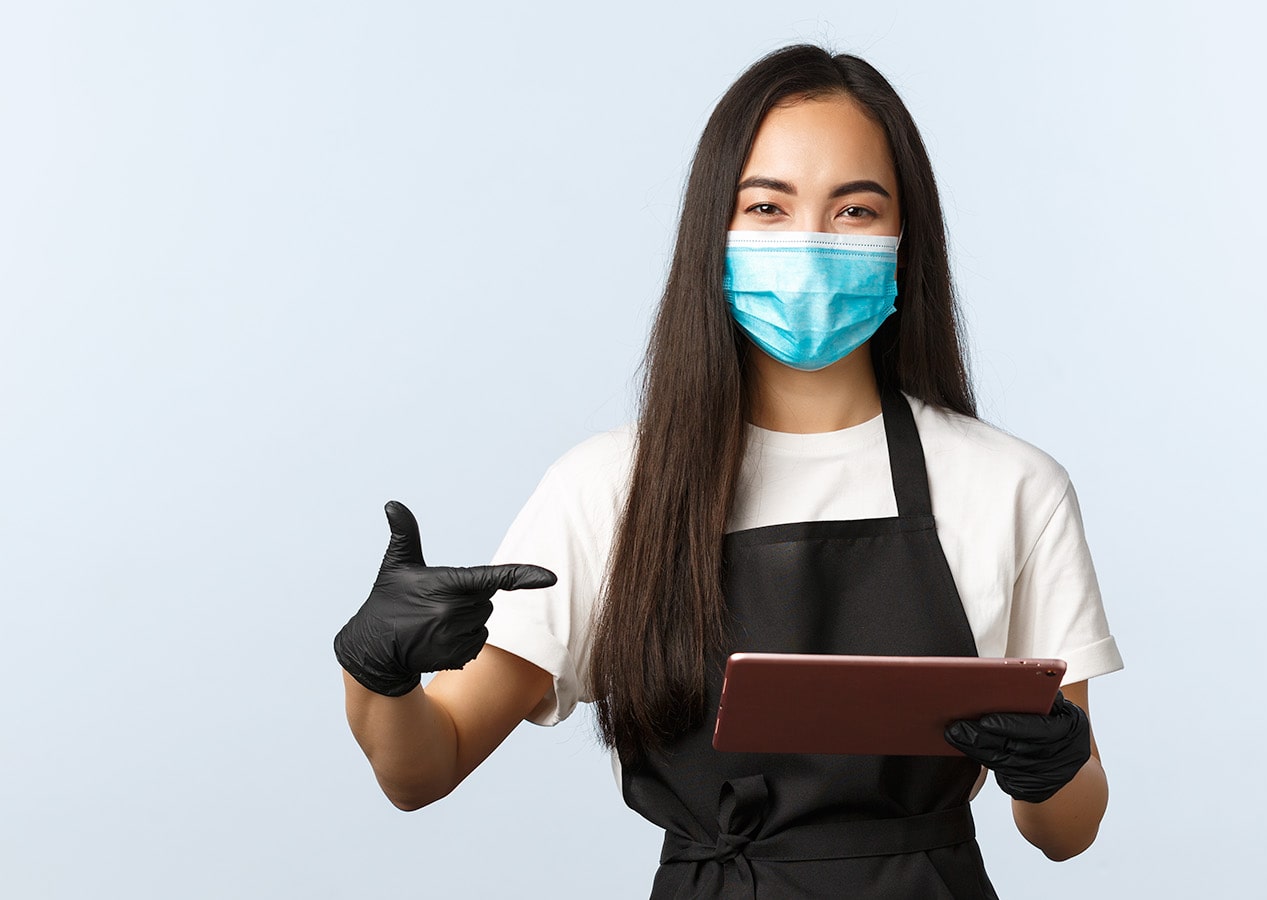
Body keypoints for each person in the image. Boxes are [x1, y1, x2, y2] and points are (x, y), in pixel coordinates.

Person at [336, 44, 1123, 898]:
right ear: (715, 232)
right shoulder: (609, 490)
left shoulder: (1012, 487)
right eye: (768, 208)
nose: (814, 242)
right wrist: (378, 669)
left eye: (855, 210)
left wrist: (1055, 764)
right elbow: (423, 769)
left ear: (906, 236)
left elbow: (1066, 833)